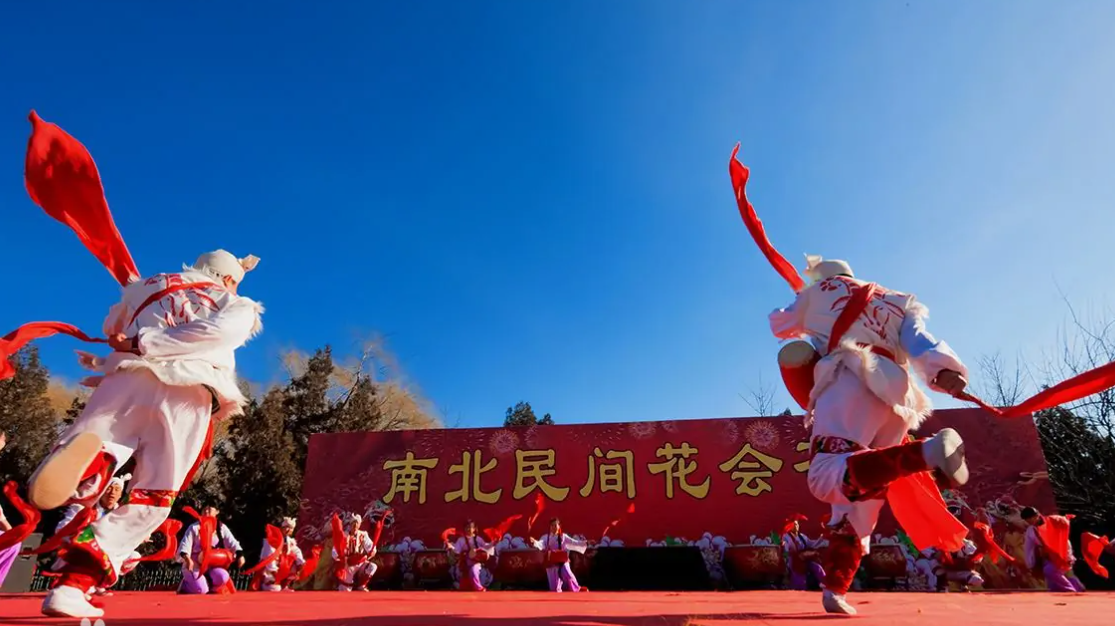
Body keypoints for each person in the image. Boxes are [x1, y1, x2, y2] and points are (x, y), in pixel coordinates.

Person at [27, 250, 262, 618]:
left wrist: (133, 340)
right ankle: (78, 578)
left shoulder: (144, 287)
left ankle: (91, 470)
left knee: (105, 440)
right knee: (154, 495)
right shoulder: (234, 301)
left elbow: (112, 330)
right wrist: (147, 342)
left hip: (126, 377)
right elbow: (220, 332)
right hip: (190, 387)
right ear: (230, 278)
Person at [769, 256, 971, 615]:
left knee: (825, 474)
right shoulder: (897, 298)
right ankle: (835, 590)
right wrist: (945, 372)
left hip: (848, 375)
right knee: (859, 504)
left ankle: (923, 455)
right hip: (897, 392)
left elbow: (780, 325)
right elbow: (920, 341)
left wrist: (802, 301)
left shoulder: (816, 291)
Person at [50, 473, 140, 597]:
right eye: (109, 489)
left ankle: (101, 584)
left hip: (108, 551)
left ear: (120, 495)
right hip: (83, 548)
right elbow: (61, 528)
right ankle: (77, 585)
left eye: (117, 490)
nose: (112, 493)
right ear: (101, 492)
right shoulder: (83, 506)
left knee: (134, 556)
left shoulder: (123, 512)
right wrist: (83, 528)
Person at [178, 505, 245, 594]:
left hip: (212, 564)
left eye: (209, 509)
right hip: (194, 564)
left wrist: (240, 555)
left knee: (223, 576)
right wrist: (187, 559)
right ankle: (185, 585)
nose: (206, 512)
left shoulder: (221, 528)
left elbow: (232, 543)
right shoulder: (194, 527)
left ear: (217, 511)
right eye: (204, 509)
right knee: (201, 590)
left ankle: (211, 587)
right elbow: (185, 545)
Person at [1021, 507, 1085, 592]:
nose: (1028, 521)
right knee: (1052, 582)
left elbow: (1064, 538)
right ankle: (1077, 588)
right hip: (1048, 555)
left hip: (1061, 552)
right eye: (1026, 519)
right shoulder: (1031, 530)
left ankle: (1070, 589)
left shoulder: (1052, 521)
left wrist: (1067, 555)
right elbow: (1028, 547)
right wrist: (1030, 563)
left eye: (1030, 518)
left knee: (1049, 570)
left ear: (1036, 516)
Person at [530, 518, 588, 592]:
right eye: (552, 525)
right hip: (551, 562)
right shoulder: (545, 537)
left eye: (555, 525)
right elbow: (540, 544)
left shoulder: (563, 536)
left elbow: (574, 542)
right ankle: (560, 588)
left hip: (562, 561)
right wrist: (534, 542)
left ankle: (577, 588)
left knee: (567, 572)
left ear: (559, 526)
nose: (553, 527)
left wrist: (585, 543)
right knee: (554, 588)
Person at [333, 512, 377, 591]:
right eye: (353, 523)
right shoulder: (344, 535)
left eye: (357, 523)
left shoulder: (363, 535)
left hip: (360, 563)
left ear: (360, 524)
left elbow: (371, 547)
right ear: (350, 524)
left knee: (372, 567)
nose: (355, 525)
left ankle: (361, 585)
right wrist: (339, 557)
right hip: (349, 565)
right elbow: (335, 550)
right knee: (345, 590)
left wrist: (372, 552)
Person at [259, 517, 305, 592]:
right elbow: (269, 556)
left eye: (291, 528)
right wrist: (274, 571)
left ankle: (285, 584)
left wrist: (300, 561)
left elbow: (296, 550)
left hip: (283, 566)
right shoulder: (271, 541)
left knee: (293, 559)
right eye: (287, 527)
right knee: (275, 588)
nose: (289, 530)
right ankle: (269, 583)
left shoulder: (290, 541)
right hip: (272, 568)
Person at [445, 520, 492, 591]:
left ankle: (479, 588)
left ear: (474, 529)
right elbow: (457, 551)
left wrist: (494, 542)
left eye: (471, 527)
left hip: (476, 563)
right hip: (464, 564)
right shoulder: (461, 540)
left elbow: (486, 548)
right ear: (464, 529)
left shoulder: (478, 539)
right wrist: (451, 547)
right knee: (464, 585)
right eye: (467, 527)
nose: (469, 529)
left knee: (474, 570)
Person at [781, 515, 824, 591]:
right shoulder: (786, 537)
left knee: (818, 568)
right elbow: (785, 551)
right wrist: (786, 563)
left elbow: (812, 544)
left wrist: (820, 539)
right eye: (794, 525)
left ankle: (827, 584)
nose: (796, 526)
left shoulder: (802, 536)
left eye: (797, 524)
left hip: (804, 560)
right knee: (799, 578)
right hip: (793, 562)